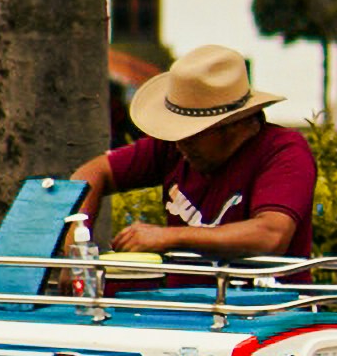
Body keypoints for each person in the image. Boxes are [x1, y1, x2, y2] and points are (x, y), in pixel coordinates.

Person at [69, 44, 315, 259]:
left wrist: (170, 237)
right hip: (184, 306)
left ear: (230, 127)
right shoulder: (174, 145)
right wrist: (76, 253)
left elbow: (270, 235)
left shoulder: (284, 151)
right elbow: (92, 173)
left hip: (262, 310)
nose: (178, 144)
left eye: (190, 133)